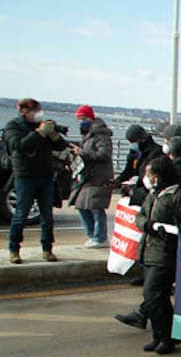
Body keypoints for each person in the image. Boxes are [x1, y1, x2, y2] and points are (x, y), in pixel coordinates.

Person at [115, 157, 181, 354]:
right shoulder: (155, 195)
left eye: (150, 175)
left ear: (159, 177)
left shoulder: (178, 197)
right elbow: (140, 217)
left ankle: (166, 336)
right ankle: (162, 335)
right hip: (149, 250)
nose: (147, 178)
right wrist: (150, 226)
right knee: (157, 298)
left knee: (152, 294)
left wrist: (164, 229)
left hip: (165, 253)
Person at [4, 98, 67, 263]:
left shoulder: (42, 125)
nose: (37, 114)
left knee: (47, 215)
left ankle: (47, 249)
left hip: (46, 176)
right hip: (25, 177)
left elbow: (61, 146)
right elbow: (19, 145)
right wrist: (39, 133)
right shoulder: (14, 126)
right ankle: (14, 249)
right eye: (33, 111)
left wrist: (53, 134)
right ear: (24, 111)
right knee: (20, 215)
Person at [69, 105, 114, 248]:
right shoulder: (88, 135)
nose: (81, 121)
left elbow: (104, 154)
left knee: (95, 207)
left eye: (83, 118)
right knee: (81, 205)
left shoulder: (101, 135)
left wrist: (82, 152)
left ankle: (100, 237)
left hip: (99, 176)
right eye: (79, 119)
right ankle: (92, 235)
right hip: (88, 176)